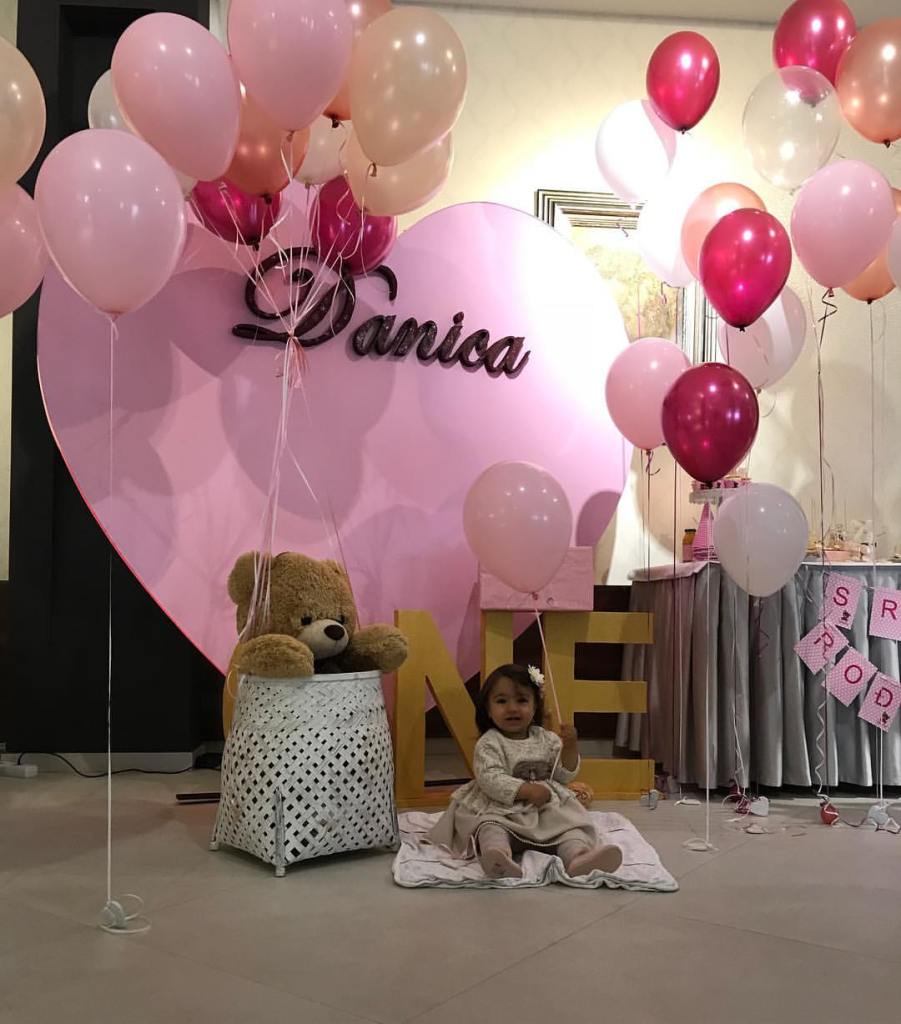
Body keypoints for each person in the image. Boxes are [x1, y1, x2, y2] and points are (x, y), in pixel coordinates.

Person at [427, 663, 623, 879]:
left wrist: (570, 748)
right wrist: (525, 790)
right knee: (489, 825)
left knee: (571, 827)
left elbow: (563, 775)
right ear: (488, 710)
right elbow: (490, 777)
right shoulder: (490, 742)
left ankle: (578, 858)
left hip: (544, 809)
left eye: (522, 700)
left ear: (535, 706)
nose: (512, 708)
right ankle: (498, 855)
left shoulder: (546, 738)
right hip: (504, 807)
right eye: (502, 701)